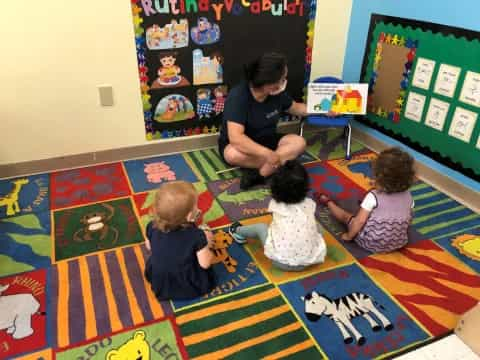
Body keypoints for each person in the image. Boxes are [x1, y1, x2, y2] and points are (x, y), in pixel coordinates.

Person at [218, 52, 308, 189]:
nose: (285, 81)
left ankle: (261, 174)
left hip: (268, 140)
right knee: (231, 154)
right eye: (282, 79)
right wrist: (268, 154)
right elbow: (236, 138)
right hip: (244, 146)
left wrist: (324, 110)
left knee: (299, 142)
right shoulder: (239, 96)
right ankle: (282, 165)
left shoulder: (277, 93)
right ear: (269, 84)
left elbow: (296, 108)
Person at [229, 160, 327, 271]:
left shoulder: (276, 205)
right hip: (311, 260)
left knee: (261, 227)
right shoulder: (309, 204)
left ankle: (237, 231)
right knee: (315, 226)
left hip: (281, 262)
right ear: (305, 186)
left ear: (274, 188)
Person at [316, 147, 415, 253]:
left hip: (371, 243)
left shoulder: (373, 196)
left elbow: (360, 221)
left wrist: (349, 236)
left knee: (347, 216)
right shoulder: (409, 196)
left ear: (378, 176)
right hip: (398, 242)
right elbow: (409, 219)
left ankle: (327, 202)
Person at [144, 181, 217, 300]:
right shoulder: (196, 235)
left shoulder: (151, 226)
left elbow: (149, 246)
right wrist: (207, 243)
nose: (198, 208)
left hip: (160, 280)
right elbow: (205, 264)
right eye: (196, 206)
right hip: (187, 283)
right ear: (189, 216)